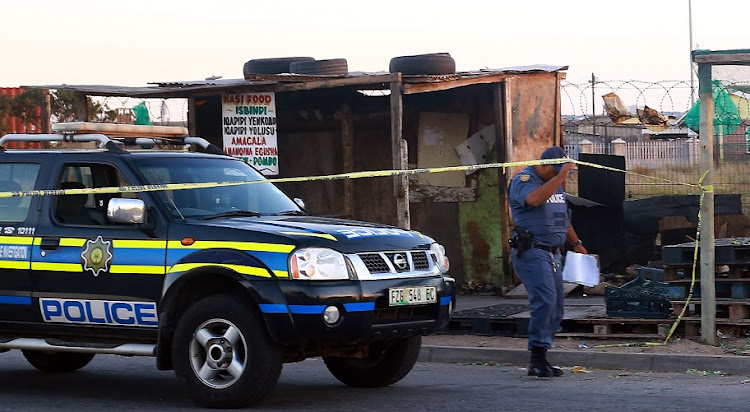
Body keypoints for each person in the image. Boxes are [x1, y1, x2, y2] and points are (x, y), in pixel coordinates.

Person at [507, 146, 588, 378]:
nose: (558, 177)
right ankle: (537, 358)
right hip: (533, 252)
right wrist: (561, 175)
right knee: (545, 301)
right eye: (554, 171)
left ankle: (542, 355)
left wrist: (577, 244)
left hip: (554, 254)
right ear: (543, 165)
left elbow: (561, 219)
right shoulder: (524, 180)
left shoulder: (555, 185)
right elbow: (533, 200)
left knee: (556, 305)